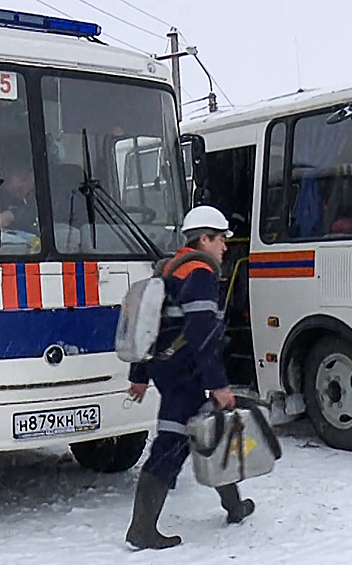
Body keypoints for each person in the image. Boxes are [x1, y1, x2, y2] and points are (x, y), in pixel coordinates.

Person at [124, 205, 254, 550]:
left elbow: (149, 326)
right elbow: (202, 334)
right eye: (221, 240)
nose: (225, 247)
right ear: (205, 239)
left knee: (208, 432)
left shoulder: (168, 269)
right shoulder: (198, 273)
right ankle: (142, 528)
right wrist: (219, 384)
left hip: (167, 368)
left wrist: (139, 374)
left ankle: (234, 505)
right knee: (172, 442)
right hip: (186, 373)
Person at [0, 167, 39, 233]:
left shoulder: (43, 194)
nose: (17, 196)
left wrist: (13, 215)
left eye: (19, 189)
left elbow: (42, 212)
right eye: (13, 192)